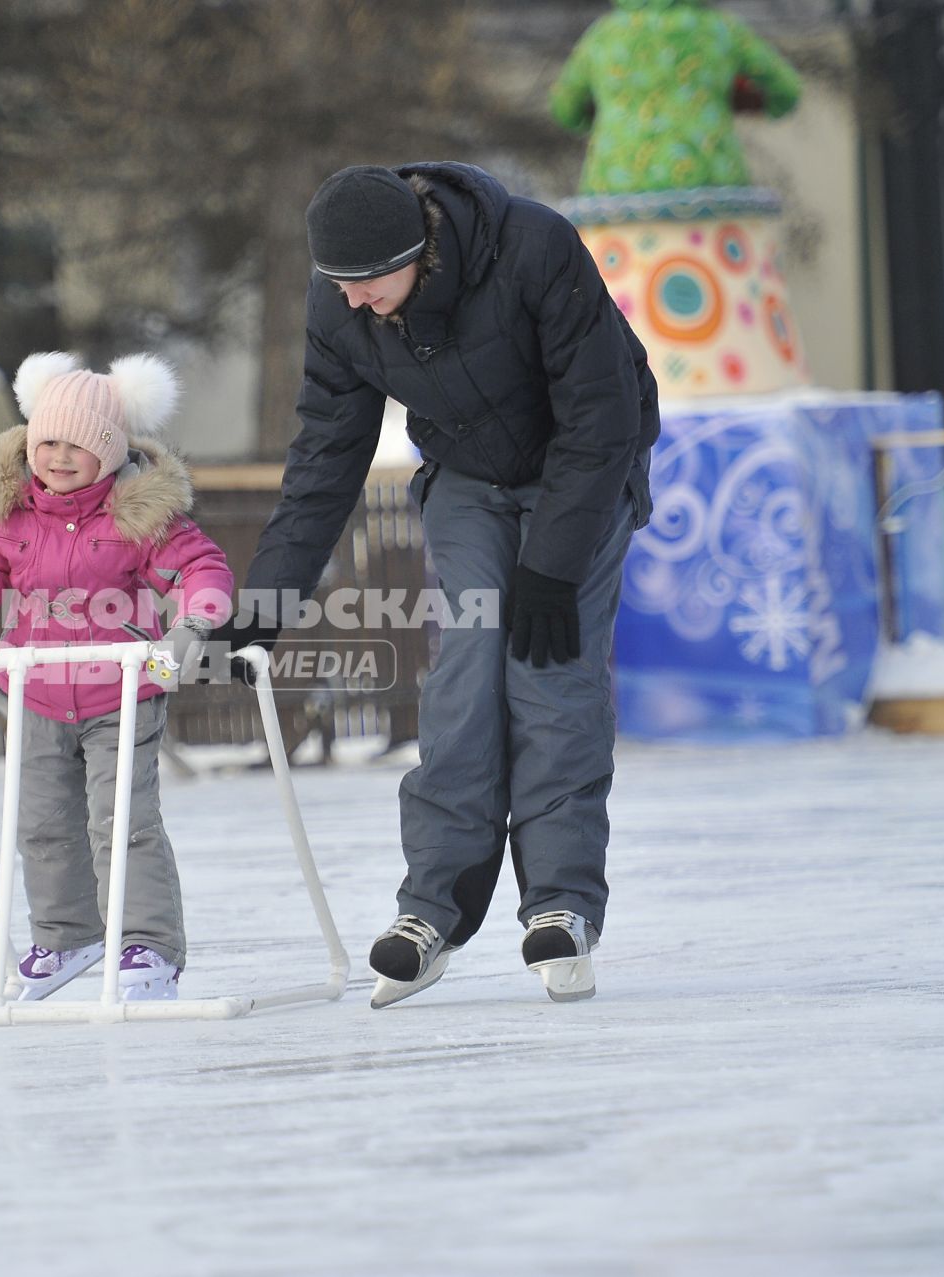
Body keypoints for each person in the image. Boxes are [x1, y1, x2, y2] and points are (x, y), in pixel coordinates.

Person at [214, 162, 659, 1008]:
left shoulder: (535, 248)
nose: (350, 301)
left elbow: (601, 417)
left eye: (367, 281)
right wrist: (266, 603)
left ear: (420, 250)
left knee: (550, 672)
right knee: (468, 666)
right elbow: (324, 461)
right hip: (468, 479)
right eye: (335, 283)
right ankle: (431, 910)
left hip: (589, 470)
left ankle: (561, 901)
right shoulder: (341, 311)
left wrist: (552, 567)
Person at [0, 352, 234, 1002]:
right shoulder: (4, 514)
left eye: (77, 445)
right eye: (47, 441)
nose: (58, 457)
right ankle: (67, 935)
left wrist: (191, 627)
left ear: (109, 448)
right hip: (37, 694)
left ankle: (147, 944)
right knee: (40, 823)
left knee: (121, 821)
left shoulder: (137, 514)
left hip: (121, 694)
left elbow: (198, 571)